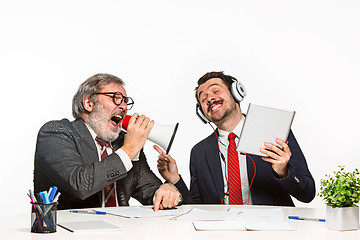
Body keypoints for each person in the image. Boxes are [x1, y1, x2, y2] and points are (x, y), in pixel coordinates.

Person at [155, 71, 315, 206]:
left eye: (216, 91)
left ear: (236, 92)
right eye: (203, 99)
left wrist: (283, 171)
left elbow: (307, 194)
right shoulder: (199, 152)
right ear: (202, 113)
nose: (209, 98)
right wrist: (175, 179)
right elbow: (197, 209)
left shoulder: (274, 131)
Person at [34, 73, 180, 211]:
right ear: (89, 103)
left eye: (125, 101)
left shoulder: (123, 143)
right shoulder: (56, 132)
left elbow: (150, 191)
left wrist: (169, 188)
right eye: (116, 98)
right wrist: (129, 149)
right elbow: (80, 185)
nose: (123, 107)